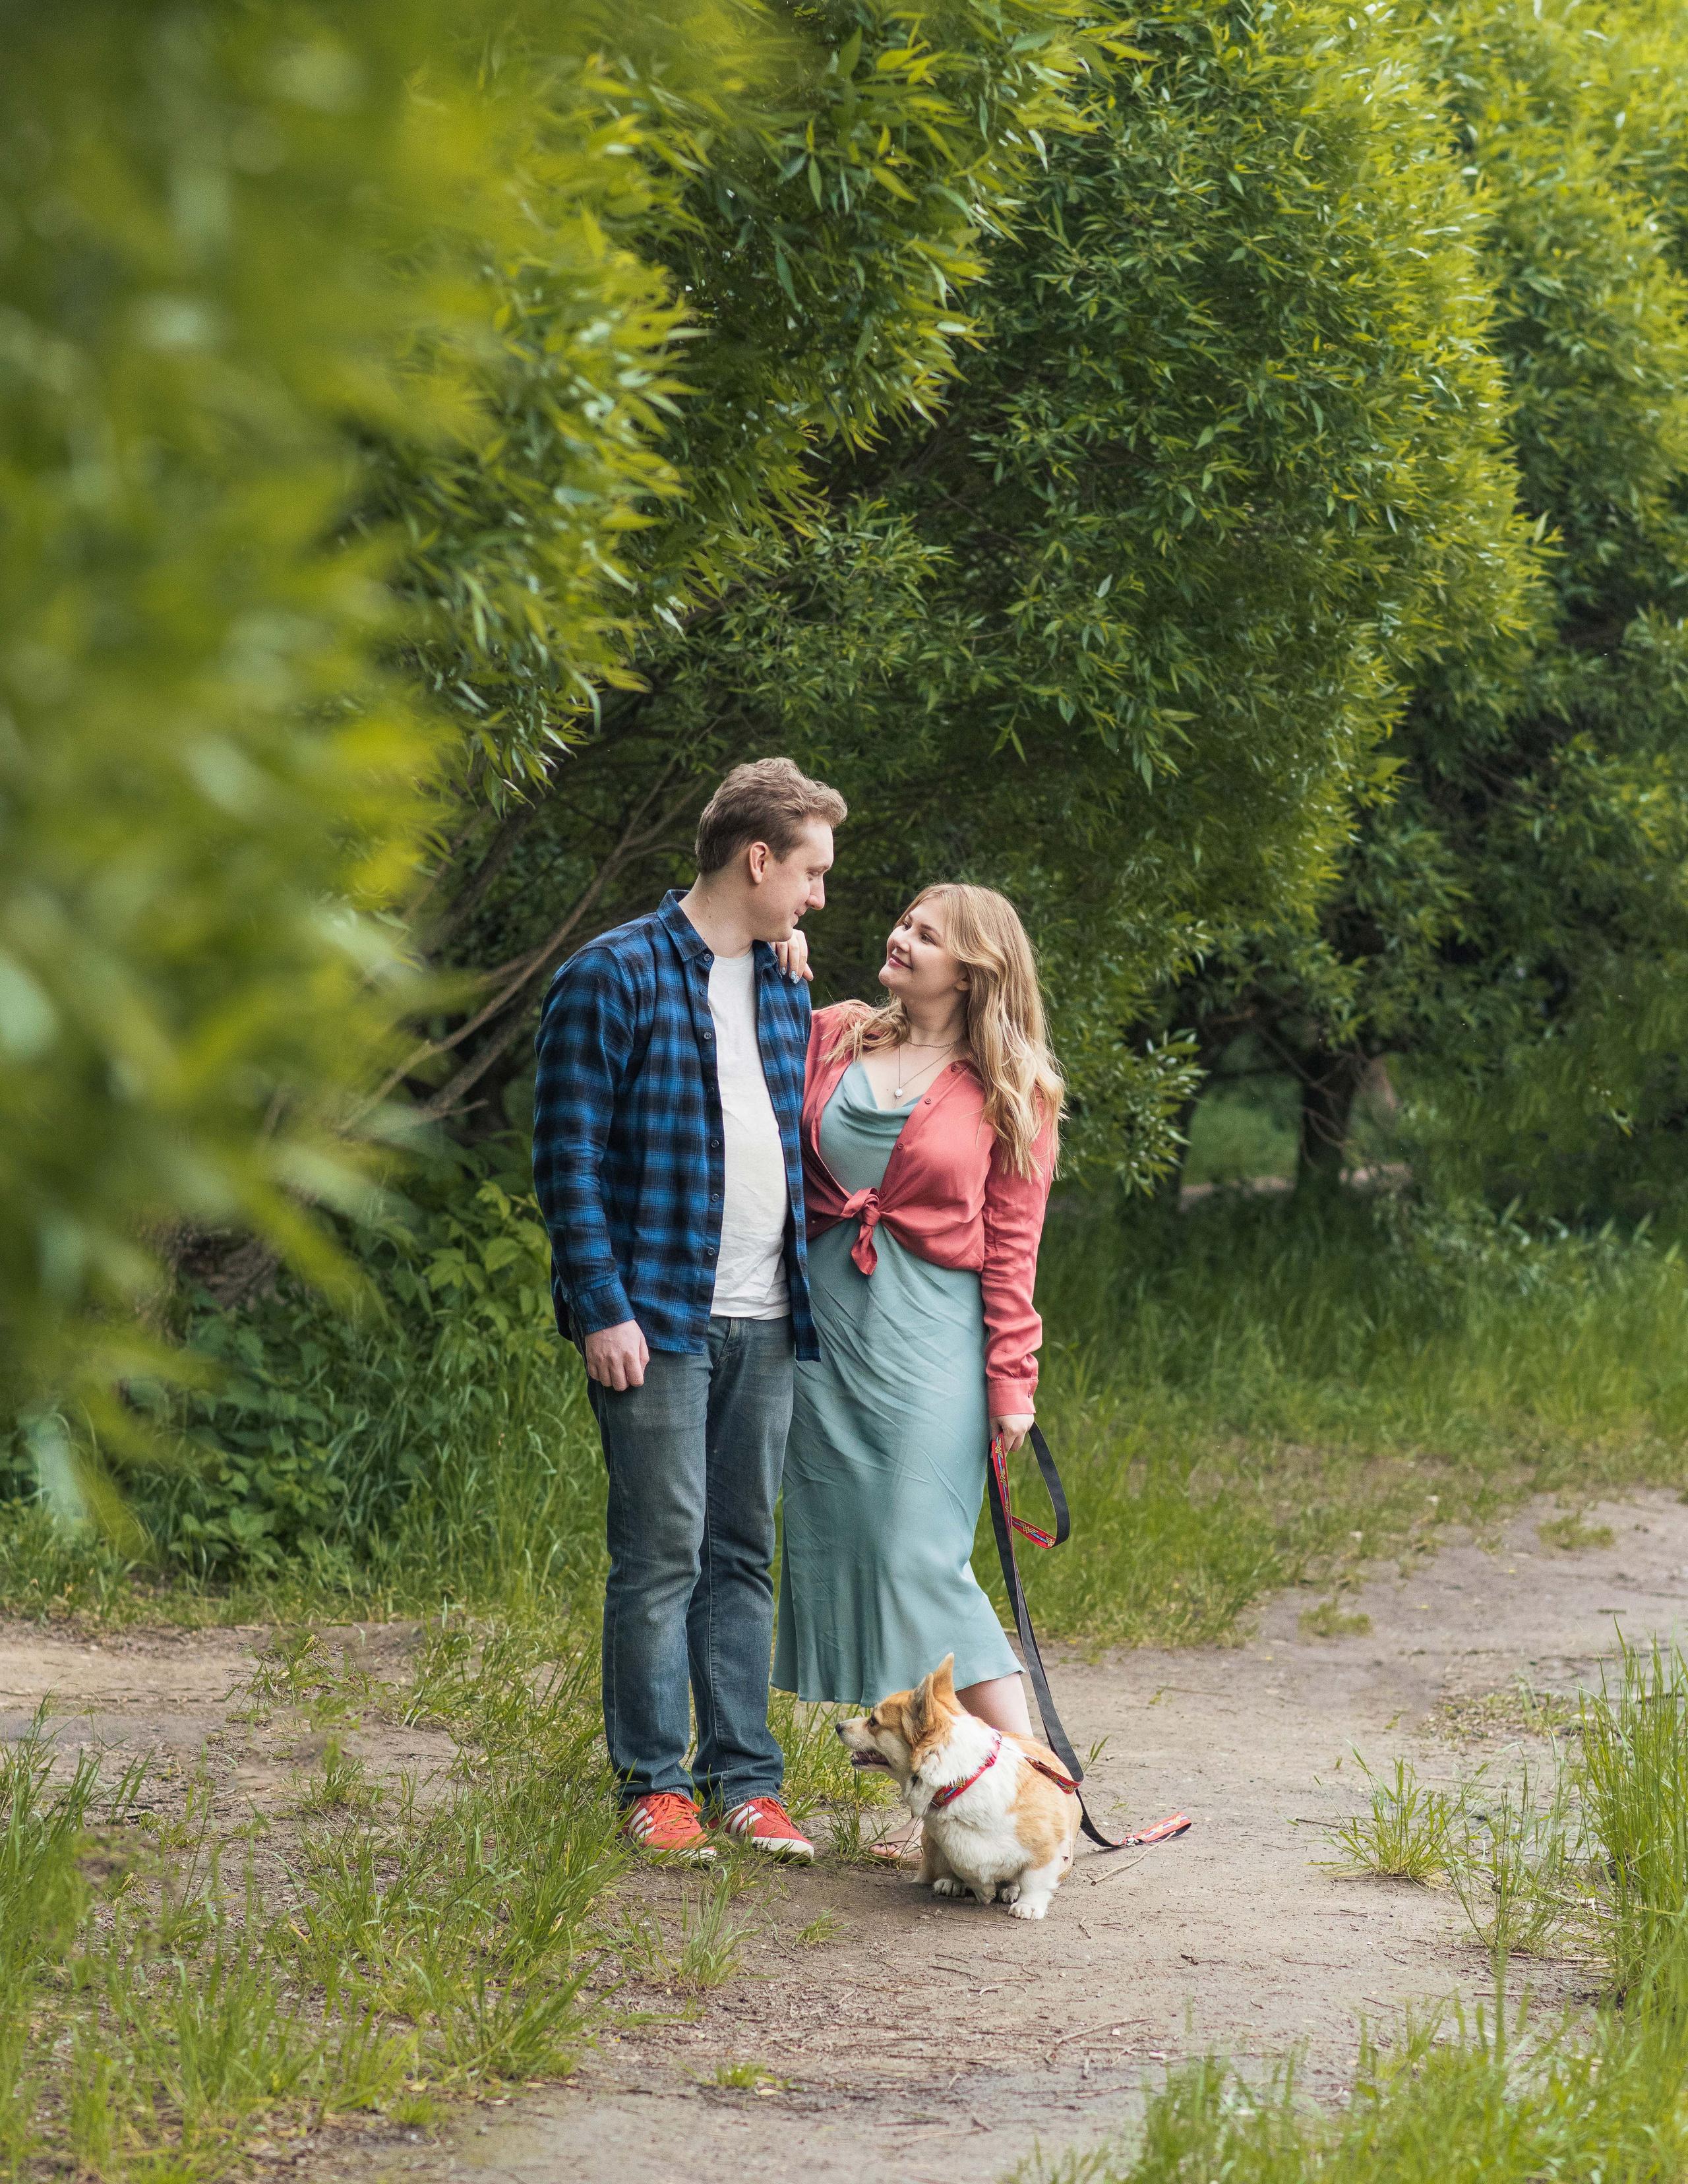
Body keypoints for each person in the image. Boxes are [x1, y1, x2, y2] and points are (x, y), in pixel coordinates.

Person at [533, 757, 847, 1864]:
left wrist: (790, 959)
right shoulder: (609, 975)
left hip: (767, 1317)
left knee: (742, 1553)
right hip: (655, 1317)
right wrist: (599, 1305)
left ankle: (746, 1784)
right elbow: (567, 1158)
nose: (817, 897)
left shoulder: (782, 979)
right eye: (808, 872)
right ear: (757, 858)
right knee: (660, 1552)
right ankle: (655, 1784)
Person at [772, 884, 1062, 1851]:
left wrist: (1011, 1382)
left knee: (919, 1553)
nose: (899, 937)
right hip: (822, 1330)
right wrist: (783, 952)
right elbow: (746, 1019)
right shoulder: (839, 1035)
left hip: (932, 1337)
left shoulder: (1012, 1087)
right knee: (838, 1541)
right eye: (902, 921)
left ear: (974, 967)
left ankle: (1038, 1788)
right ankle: (937, 1783)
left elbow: (1015, 1250)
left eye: (926, 934)